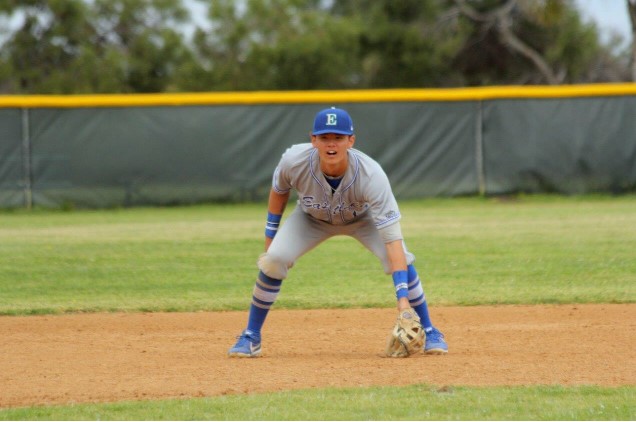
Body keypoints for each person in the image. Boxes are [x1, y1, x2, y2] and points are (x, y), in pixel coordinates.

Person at [228, 107, 448, 357]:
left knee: (400, 258)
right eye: (324, 138)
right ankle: (251, 336)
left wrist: (402, 302)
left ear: (351, 141)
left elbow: (392, 239)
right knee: (274, 259)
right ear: (313, 139)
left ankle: (430, 330)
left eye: (338, 138)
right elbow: (279, 190)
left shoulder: (371, 174)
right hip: (311, 218)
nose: (331, 144)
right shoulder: (293, 160)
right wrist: (270, 242)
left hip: (362, 218)